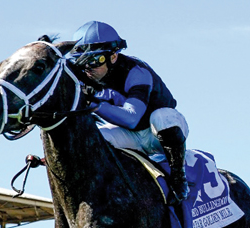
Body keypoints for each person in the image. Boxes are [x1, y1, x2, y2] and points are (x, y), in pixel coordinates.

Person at [69, 21, 190, 205]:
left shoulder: (136, 72)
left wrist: (93, 104)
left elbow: (132, 118)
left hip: (156, 133)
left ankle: (179, 178)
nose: (88, 68)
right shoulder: (83, 77)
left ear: (113, 56)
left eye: (94, 60)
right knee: (92, 137)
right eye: (82, 62)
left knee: (161, 118)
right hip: (129, 136)